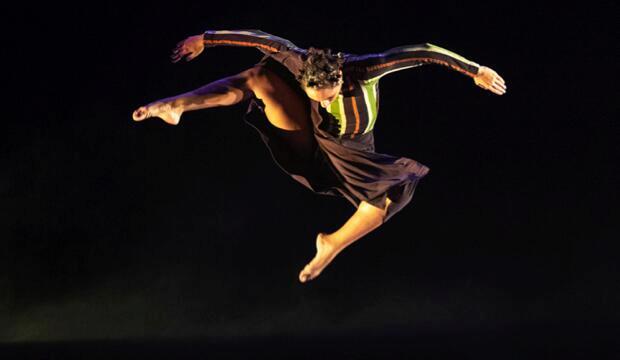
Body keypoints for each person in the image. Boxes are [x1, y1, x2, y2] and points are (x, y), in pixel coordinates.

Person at [132, 29, 507, 283]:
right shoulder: (299, 62)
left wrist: (474, 70)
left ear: (340, 79)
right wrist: (206, 39)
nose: (325, 99)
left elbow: (423, 52)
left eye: (329, 94)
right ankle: (174, 106)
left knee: (394, 191)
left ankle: (332, 244)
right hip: (313, 139)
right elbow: (261, 38)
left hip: (352, 151)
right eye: (317, 94)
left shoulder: (366, 69)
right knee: (258, 77)